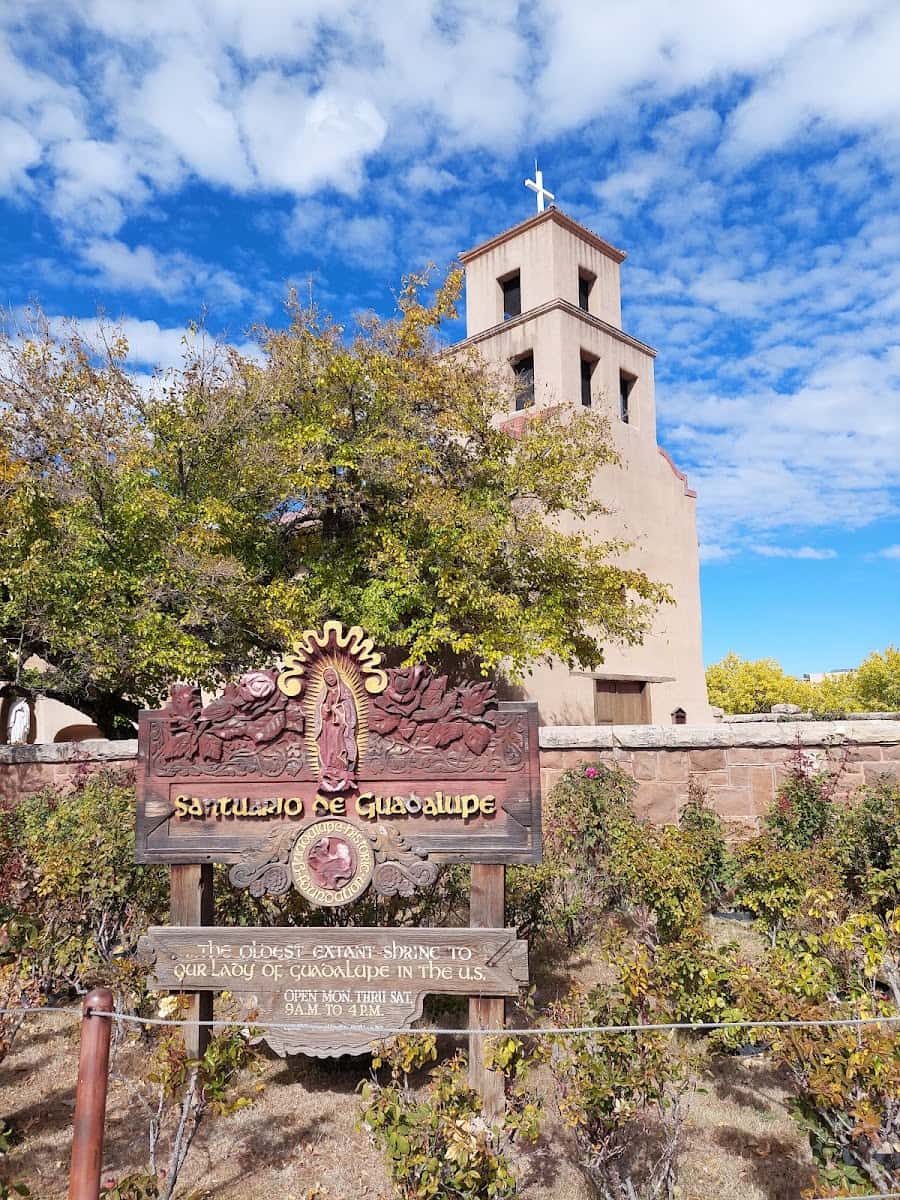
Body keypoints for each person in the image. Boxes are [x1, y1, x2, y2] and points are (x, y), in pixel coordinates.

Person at [314, 666, 358, 792]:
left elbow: (349, 706)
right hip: (327, 726)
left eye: (332, 676)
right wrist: (325, 709)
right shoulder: (324, 693)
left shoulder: (344, 691)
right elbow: (319, 709)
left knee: (339, 744)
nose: (330, 679)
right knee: (327, 746)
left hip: (341, 726)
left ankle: (342, 766)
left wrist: (339, 709)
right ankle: (328, 766)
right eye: (327, 677)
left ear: (337, 676)